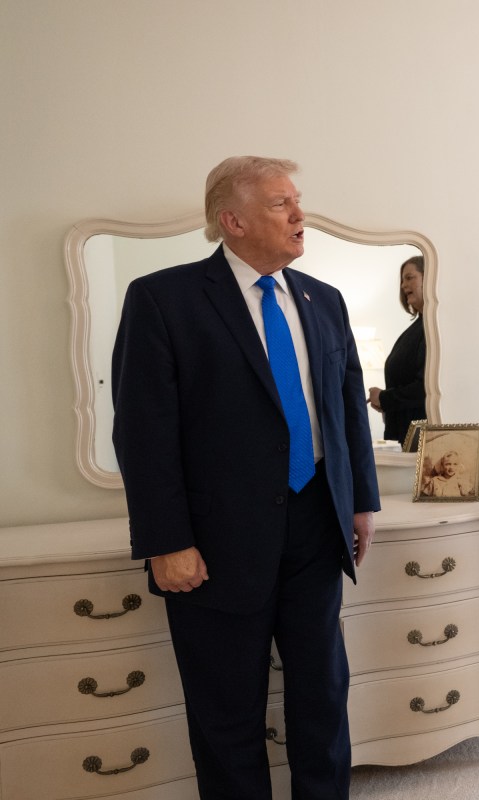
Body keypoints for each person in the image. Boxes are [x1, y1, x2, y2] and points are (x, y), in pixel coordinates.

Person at [111, 156, 380, 799]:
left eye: (296, 200)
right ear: (232, 221)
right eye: (281, 204)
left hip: (316, 528)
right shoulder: (163, 299)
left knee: (323, 701)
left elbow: (347, 411)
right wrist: (166, 541)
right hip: (215, 543)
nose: (300, 215)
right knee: (227, 716)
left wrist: (360, 502)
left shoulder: (324, 300)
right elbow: (143, 434)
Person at [368, 255, 427, 441]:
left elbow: (426, 387)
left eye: (409, 278)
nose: (403, 285)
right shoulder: (416, 328)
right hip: (403, 434)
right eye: (402, 280)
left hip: (418, 440)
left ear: (429, 277)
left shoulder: (433, 328)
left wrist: (384, 398)